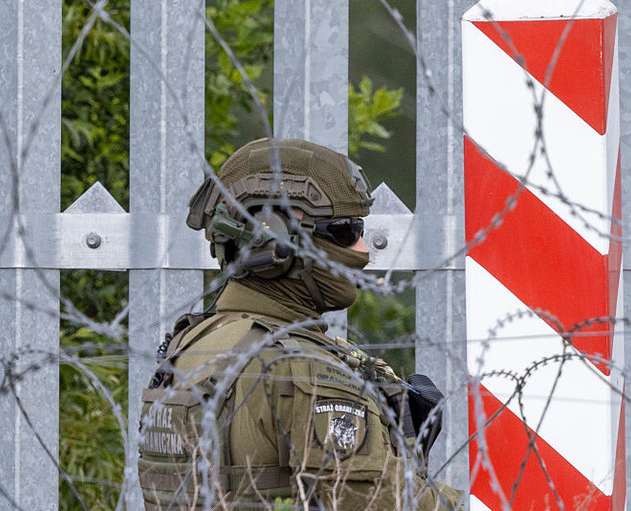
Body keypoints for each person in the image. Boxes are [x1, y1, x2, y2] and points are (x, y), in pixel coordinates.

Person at [138, 137, 461, 510]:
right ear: (274, 239)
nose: (363, 251)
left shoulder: (189, 343)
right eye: (346, 232)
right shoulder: (304, 368)